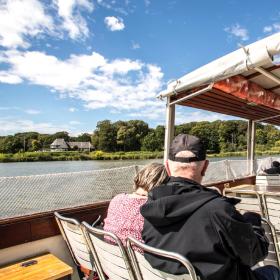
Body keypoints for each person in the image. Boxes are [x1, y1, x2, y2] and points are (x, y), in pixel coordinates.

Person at [141, 134, 280, 280]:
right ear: (205, 166)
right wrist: (253, 221)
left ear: (167, 167)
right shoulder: (218, 210)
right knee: (273, 271)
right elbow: (255, 255)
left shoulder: (150, 206)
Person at [103, 163, 168, 246]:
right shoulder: (153, 208)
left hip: (109, 254)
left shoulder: (117, 199)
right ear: (164, 185)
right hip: (139, 257)